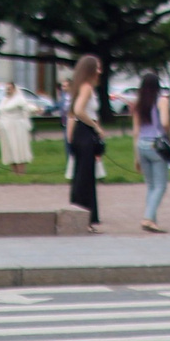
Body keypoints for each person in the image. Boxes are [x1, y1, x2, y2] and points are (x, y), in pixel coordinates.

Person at [64, 54, 106, 226]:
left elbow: (72, 114)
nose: (100, 70)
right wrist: (96, 127)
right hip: (85, 132)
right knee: (85, 175)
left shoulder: (80, 87)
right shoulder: (87, 87)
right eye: (97, 66)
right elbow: (79, 110)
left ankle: (81, 211)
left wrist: (70, 136)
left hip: (79, 133)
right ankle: (86, 213)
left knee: (81, 174)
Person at [133, 71, 170, 233]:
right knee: (160, 186)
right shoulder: (161, 100)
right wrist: (168, 138)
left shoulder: (138, 103)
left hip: (141, 145)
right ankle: (148, 217)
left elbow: (135, 131)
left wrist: (136, 156)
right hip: (156, 145)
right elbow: (165, 123)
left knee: (150, 185)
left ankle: (152, 220)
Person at [0, 82, 39, 174]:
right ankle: (14, 171)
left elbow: (27, 107)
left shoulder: (19, 99)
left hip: (16, 127)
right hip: (5, 128)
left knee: (18, 148)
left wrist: (36, 109)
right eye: (6, 88)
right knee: (9, 148)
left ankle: (21, 172)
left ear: (14, 89)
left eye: (9, 88)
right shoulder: (4, 100)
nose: (8, 90)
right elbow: (1, 115)